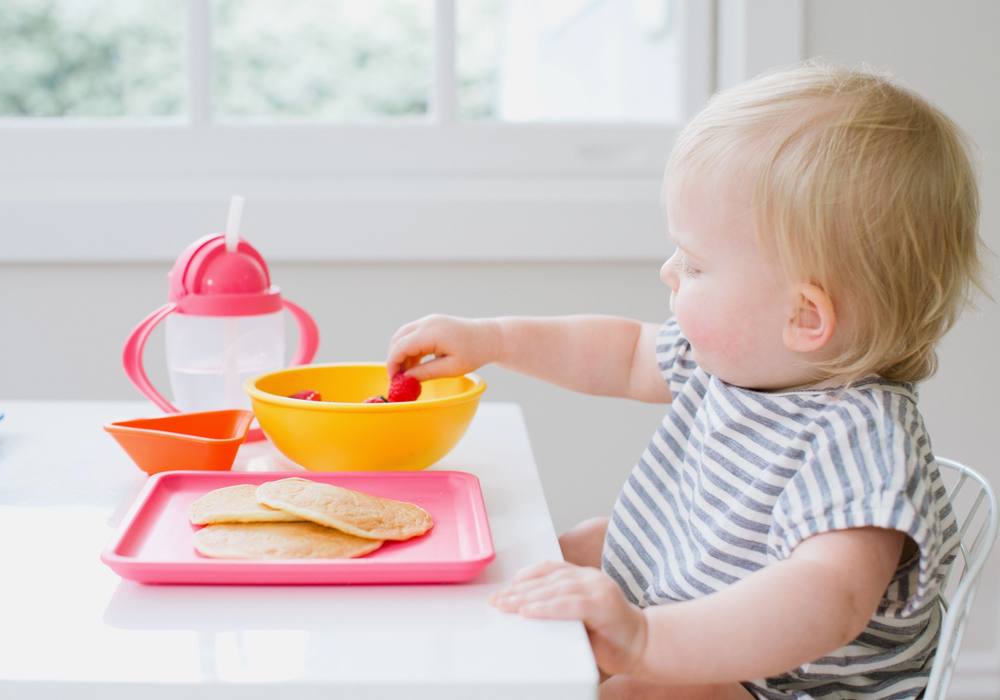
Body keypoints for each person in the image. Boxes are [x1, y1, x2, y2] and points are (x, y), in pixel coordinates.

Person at [384, 61, 990, 700]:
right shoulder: (742, 362)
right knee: (582, 547)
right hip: (698, 614)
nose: (669, 272)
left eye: (695, 265)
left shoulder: (861, 442)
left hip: (784, 685)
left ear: (804, 317)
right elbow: (621, 352)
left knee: (645, 690)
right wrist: (495, 339)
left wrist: (646, 641)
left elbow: (827, 599)